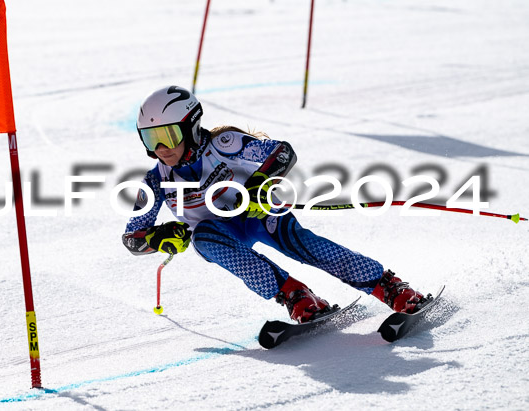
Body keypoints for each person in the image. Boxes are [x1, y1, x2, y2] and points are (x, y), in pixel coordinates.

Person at [122, 86, 431, 324]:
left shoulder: (224, 143)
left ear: (190, 127)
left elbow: (282, 152)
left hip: (257, 214)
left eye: (168, 136)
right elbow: (132, 238)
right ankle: (296, 296)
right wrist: (157, 238)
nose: (161, 149)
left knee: (301, 244)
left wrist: (259, 184)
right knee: (203, 237)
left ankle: (389, 287)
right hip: (221, 234)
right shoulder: (155, 180)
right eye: (151, 140)